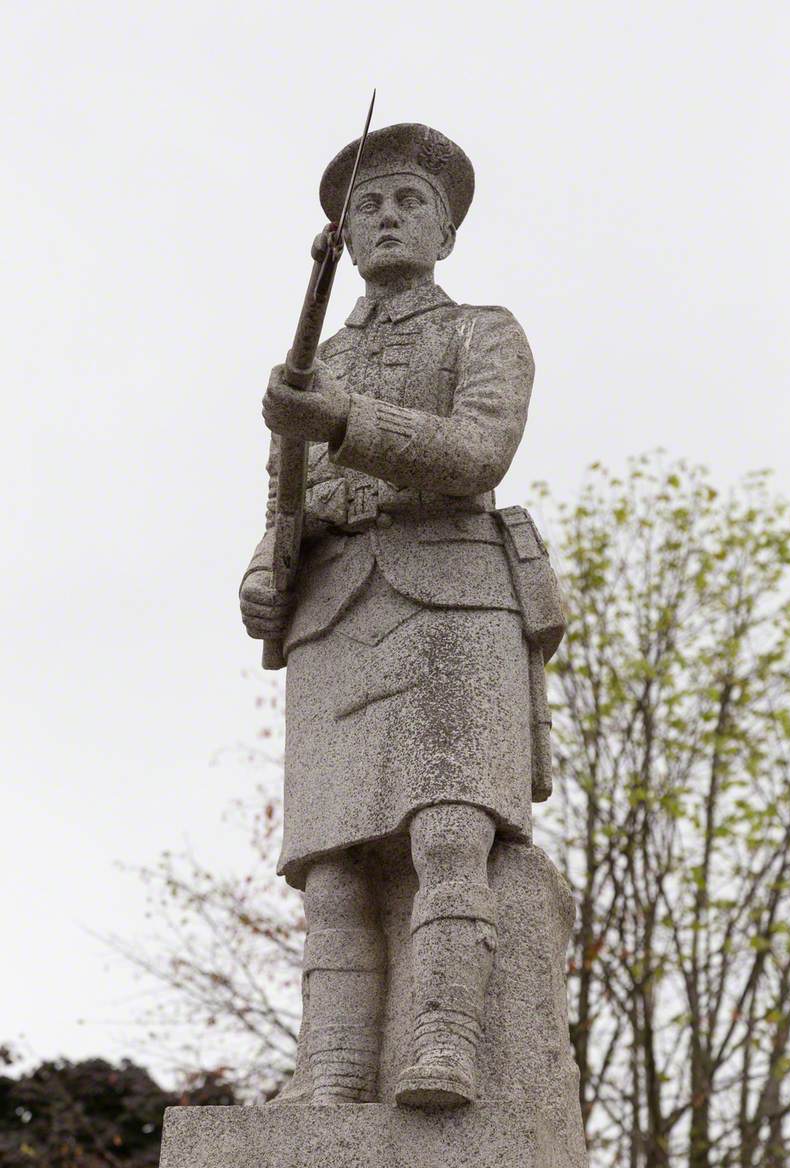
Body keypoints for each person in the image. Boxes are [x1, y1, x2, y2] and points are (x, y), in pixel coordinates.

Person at [239, 124, 561, 1108]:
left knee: (449, 834)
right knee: (332, 869)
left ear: (445, 232)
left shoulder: (482, 330)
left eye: (406, 201)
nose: (384, 218)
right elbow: (281, 497)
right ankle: (332, 1069)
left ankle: (444, 1043)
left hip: (452, 597)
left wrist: (336, 422)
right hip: (333, 614)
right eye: (367, 205)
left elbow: (475, 455)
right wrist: (262, 567)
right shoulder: (317, 360)